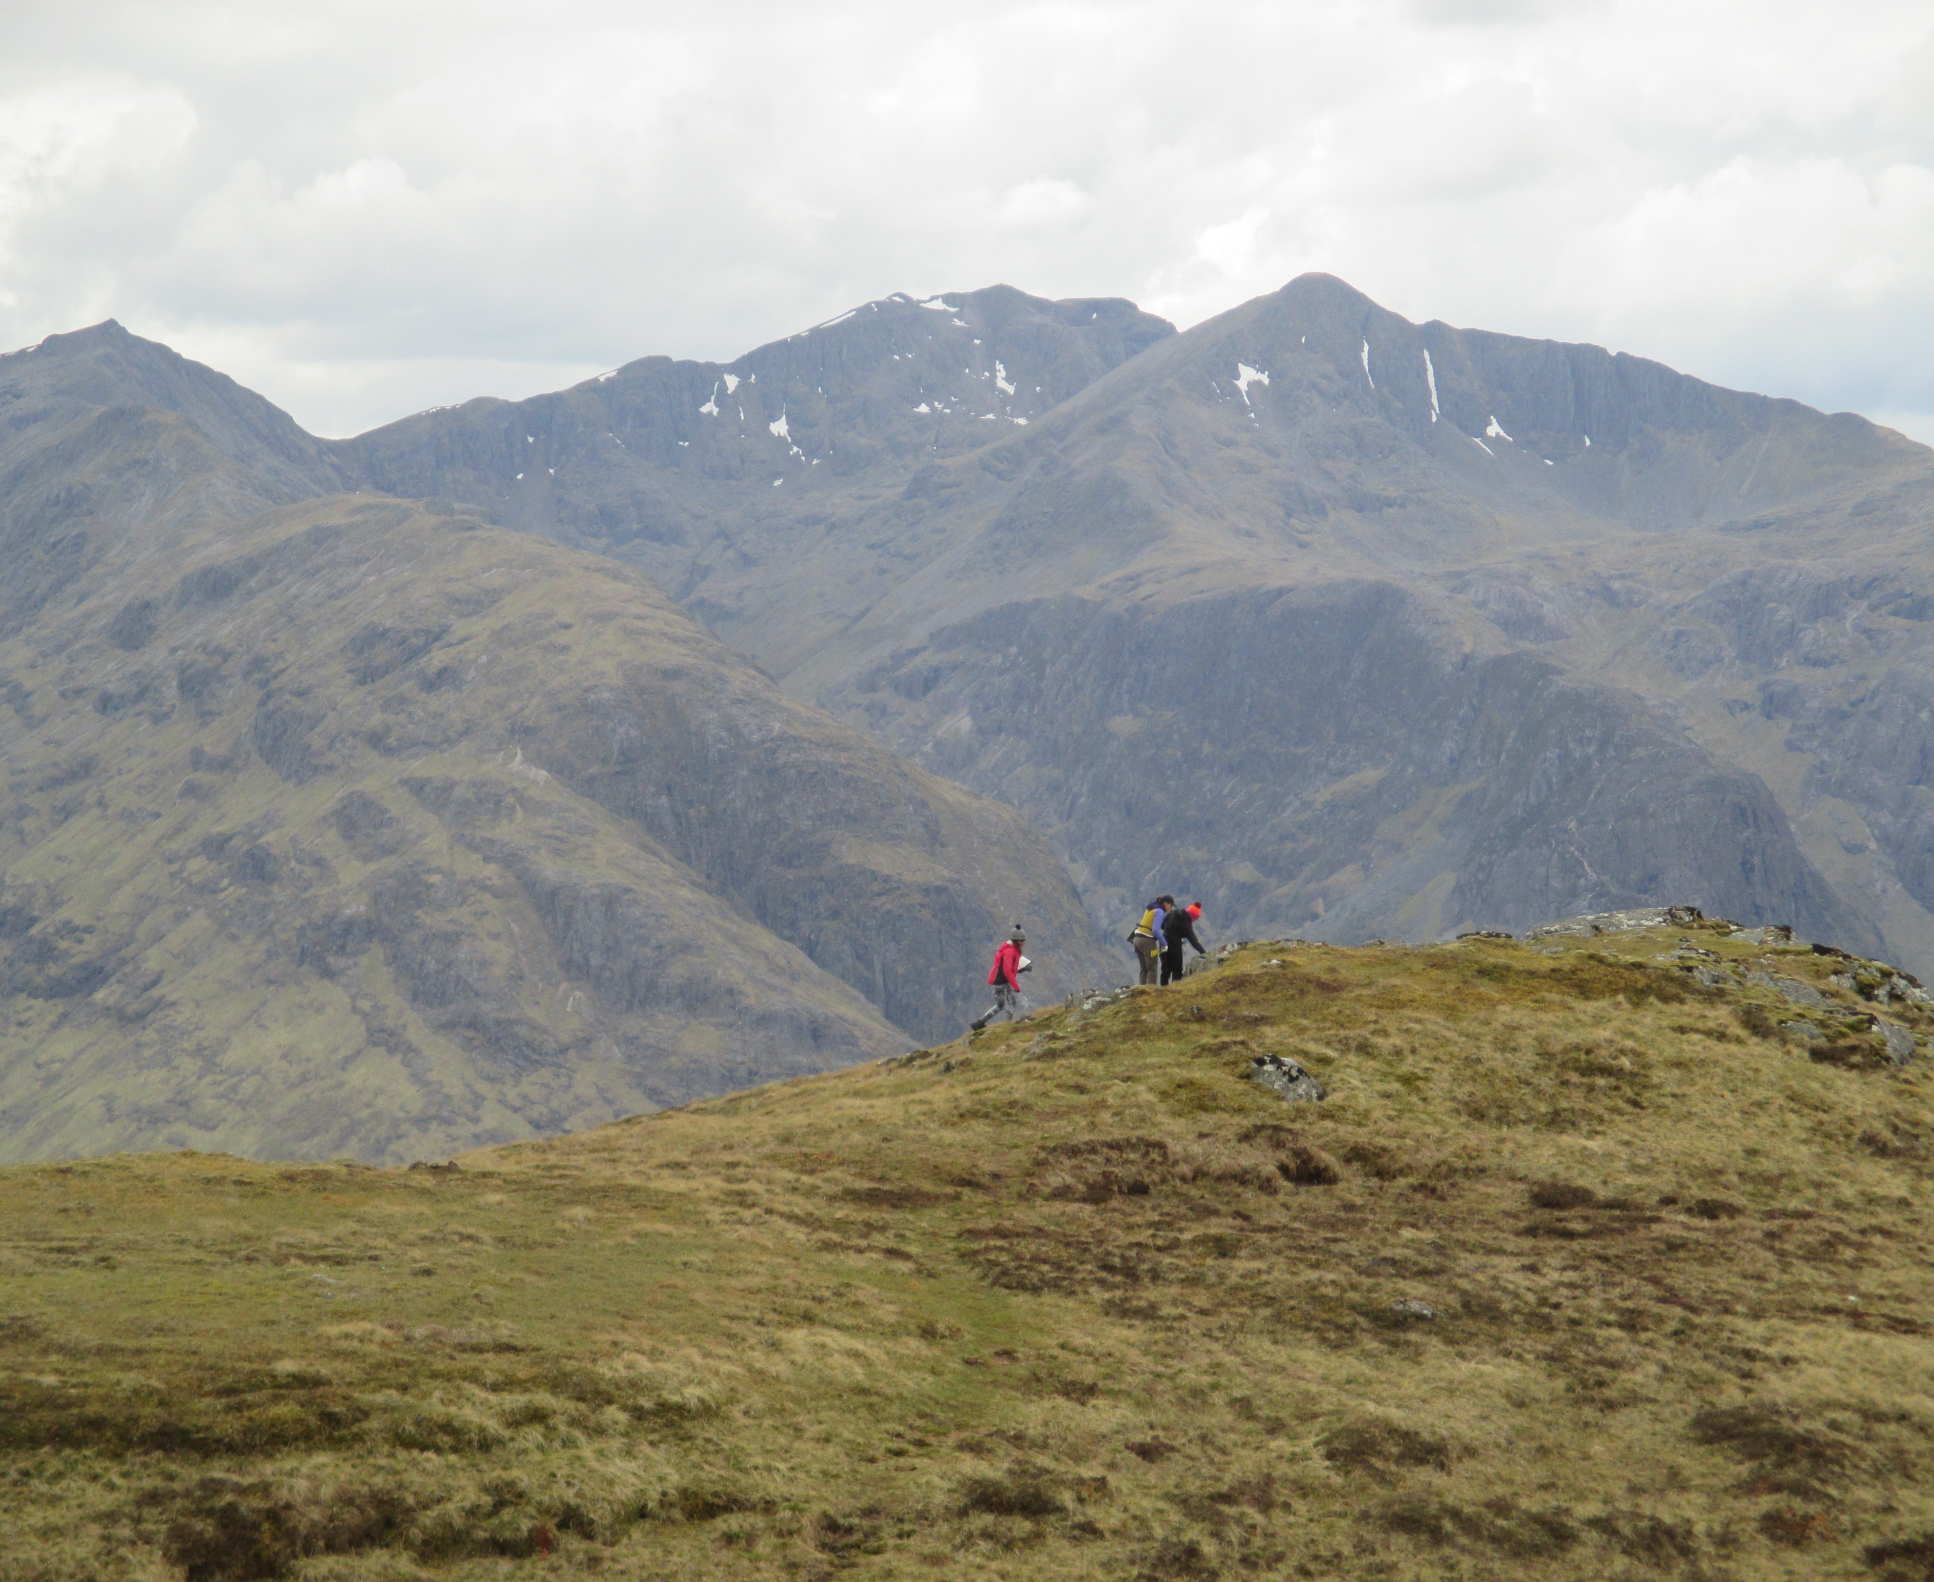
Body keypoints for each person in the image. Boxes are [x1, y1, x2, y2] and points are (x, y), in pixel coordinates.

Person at [970, 928, 1030, 1031]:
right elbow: (1007, 970)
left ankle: (979, 1023)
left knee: (1001, 1005)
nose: (1024, 942)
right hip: (1002, 982)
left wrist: (1021, 969)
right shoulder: (1010, 951)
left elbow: (1008, 968)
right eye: (1022, 940)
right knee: (1012, 1002)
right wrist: (1015, 986)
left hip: (998, 981)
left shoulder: (1011, 950)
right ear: (1017, 941)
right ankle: (1008, 1026)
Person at [1160, 900, 1205, 985]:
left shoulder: (1172, 913)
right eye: (1195, 919)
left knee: (1165, 970)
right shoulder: (1186, 923)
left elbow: (1162, 926)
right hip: (1174, 946)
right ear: (1193, 916)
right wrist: (1204, 953)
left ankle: (1162, 992)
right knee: (1177, 969)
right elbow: (1194, 942)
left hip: (1163, 944)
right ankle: (1174, 991)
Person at [1128, 897, 1166, 985]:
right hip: (1147, 942)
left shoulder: (1150, 909)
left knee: (1144, 968)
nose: (1170, 908)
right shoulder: (1159, 911)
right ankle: (1151, 993)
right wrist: (1164, 944)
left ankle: (1142, 992)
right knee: (1152, 968)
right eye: (1170, 906)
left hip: (1137, 940)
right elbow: (1156, 930)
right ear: (1166, 904)